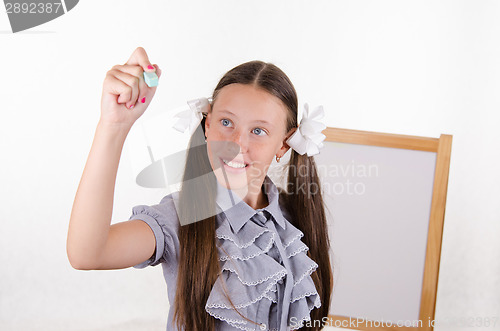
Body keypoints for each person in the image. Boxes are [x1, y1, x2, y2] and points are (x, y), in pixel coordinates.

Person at [67, 47, 333, 331]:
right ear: (207, 124)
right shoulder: (179, 217)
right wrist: (113, 126)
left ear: (284, 143)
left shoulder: (295, 219)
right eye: (226, 122)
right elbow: (87, 254)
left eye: (258, 131)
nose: (236, 144)